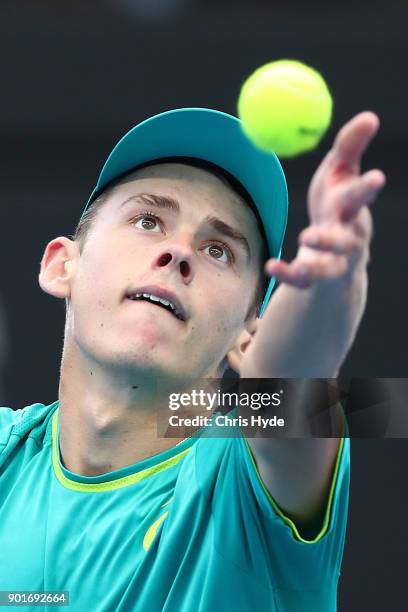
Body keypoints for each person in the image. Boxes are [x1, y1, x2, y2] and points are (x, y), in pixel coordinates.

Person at [0, 107, 385, 611]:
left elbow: (290, 374)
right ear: (61, 265)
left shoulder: (247, 476)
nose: (178, 252)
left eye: (219, 249)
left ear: (249, 334)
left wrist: (329, 284)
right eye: (148, 220)